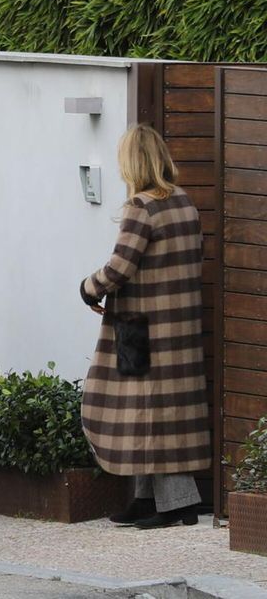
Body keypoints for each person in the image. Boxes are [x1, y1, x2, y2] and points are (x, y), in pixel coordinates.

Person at [80, 124, 211, 529]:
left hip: (143, 329)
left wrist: (88, 289)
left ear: (132, 163)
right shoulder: (184, 203)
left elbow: (120, 267)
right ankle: (145, 498)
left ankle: (179, 504)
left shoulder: (141, 207)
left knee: (147, 410)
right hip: (180, 329)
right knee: (154, 410)